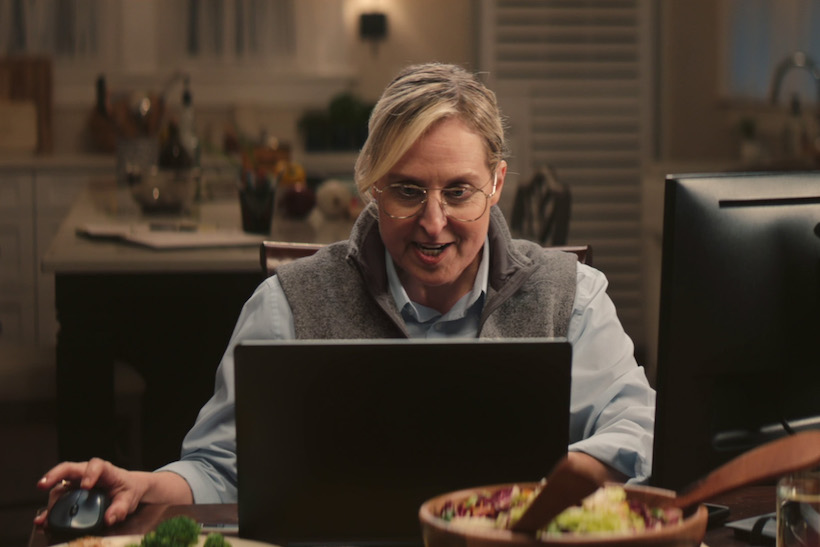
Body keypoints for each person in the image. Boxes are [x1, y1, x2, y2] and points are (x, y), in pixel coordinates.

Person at [35, 62, 655, 528]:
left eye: (459, 192)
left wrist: (565, 481)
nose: (433, 222)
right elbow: (222, 466)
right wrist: (147, 485)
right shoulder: (287, 303)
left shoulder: (571, 296)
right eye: (407, 191)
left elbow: (640, 426)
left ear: (496, 184)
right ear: (371, 187)